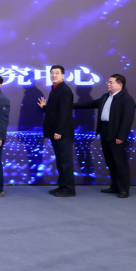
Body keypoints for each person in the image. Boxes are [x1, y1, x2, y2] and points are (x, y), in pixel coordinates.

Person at [74, 74, 135, 198]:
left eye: (111, 82)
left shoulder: (126, 99)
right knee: (110, 161)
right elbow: (88, 104)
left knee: (120, 162)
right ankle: (114, 186)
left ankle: (124, 189)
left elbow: (127, 119)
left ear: (120, 85)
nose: (108, 84)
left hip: (117, 133)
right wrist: (68, 105)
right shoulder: (105, 96)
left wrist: (121, 136)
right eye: (108, 82)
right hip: (104, 130)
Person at [37, 65, 76, 197]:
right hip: (56, 132)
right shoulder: (55, 89)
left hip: (62, 133)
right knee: (60, 161)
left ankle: (68, 189)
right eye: (52, 73)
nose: (54, 75)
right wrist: (45, 107)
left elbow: (64, 113)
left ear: (63, 75)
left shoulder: (64, 90)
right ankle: (62, 186)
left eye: (57, 73)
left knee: (65, 162)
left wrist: (59, 131)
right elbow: (55, 111)